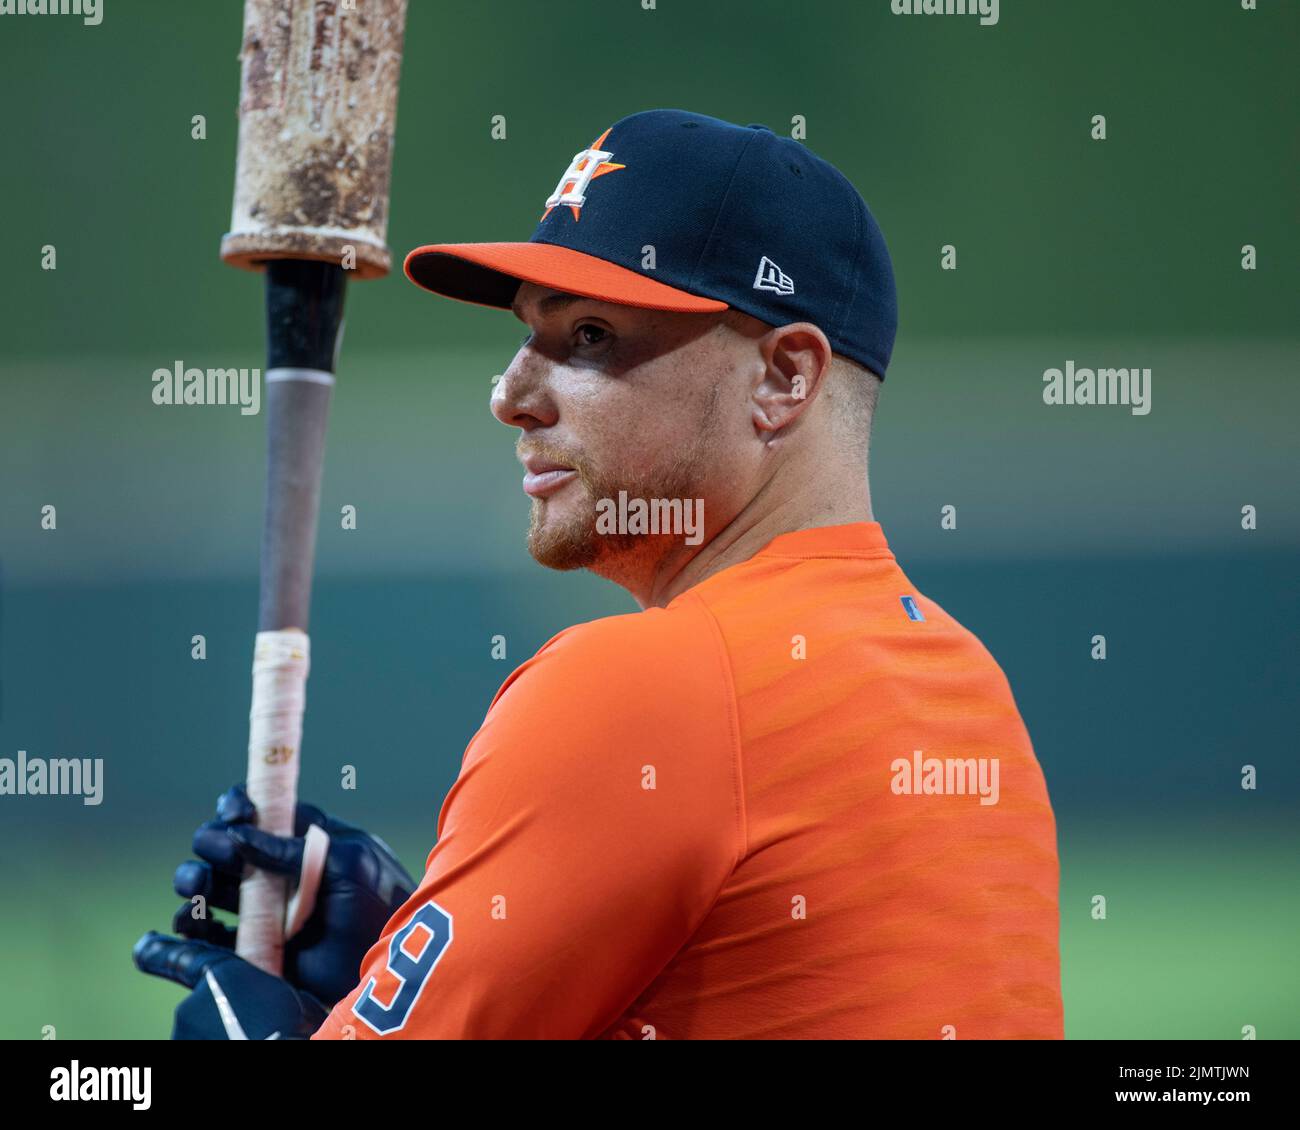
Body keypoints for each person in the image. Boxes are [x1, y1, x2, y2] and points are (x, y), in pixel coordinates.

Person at [135, 108, 1063, 1040]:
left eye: (587, 337)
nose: (511, 396)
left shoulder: (642, 687)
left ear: (784, 378)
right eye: (526, 334)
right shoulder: (966, 686)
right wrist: (421, 946)